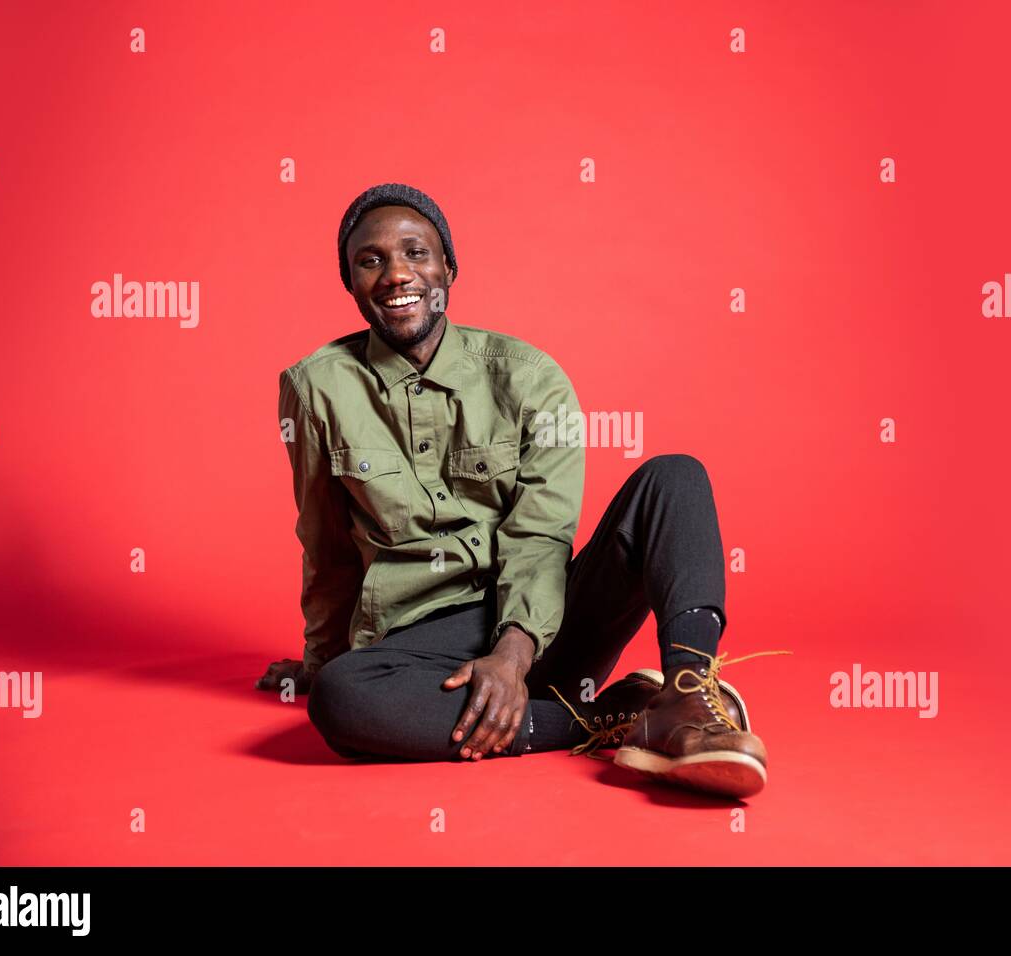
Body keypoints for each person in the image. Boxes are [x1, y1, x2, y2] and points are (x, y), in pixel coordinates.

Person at [255, 183, 789, 798]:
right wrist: (322, 666)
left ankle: (690, 699)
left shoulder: (529, 378)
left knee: (675, 476)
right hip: (427, 646)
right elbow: (325, 546)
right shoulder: (316, 388)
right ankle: (612, 717)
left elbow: (541, 534)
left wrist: (512, 657)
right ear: (349, 282)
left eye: (415, 252)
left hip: (549, 627)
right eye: (369, 260)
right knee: (343, 701)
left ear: (448, 266)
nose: (396, 273)